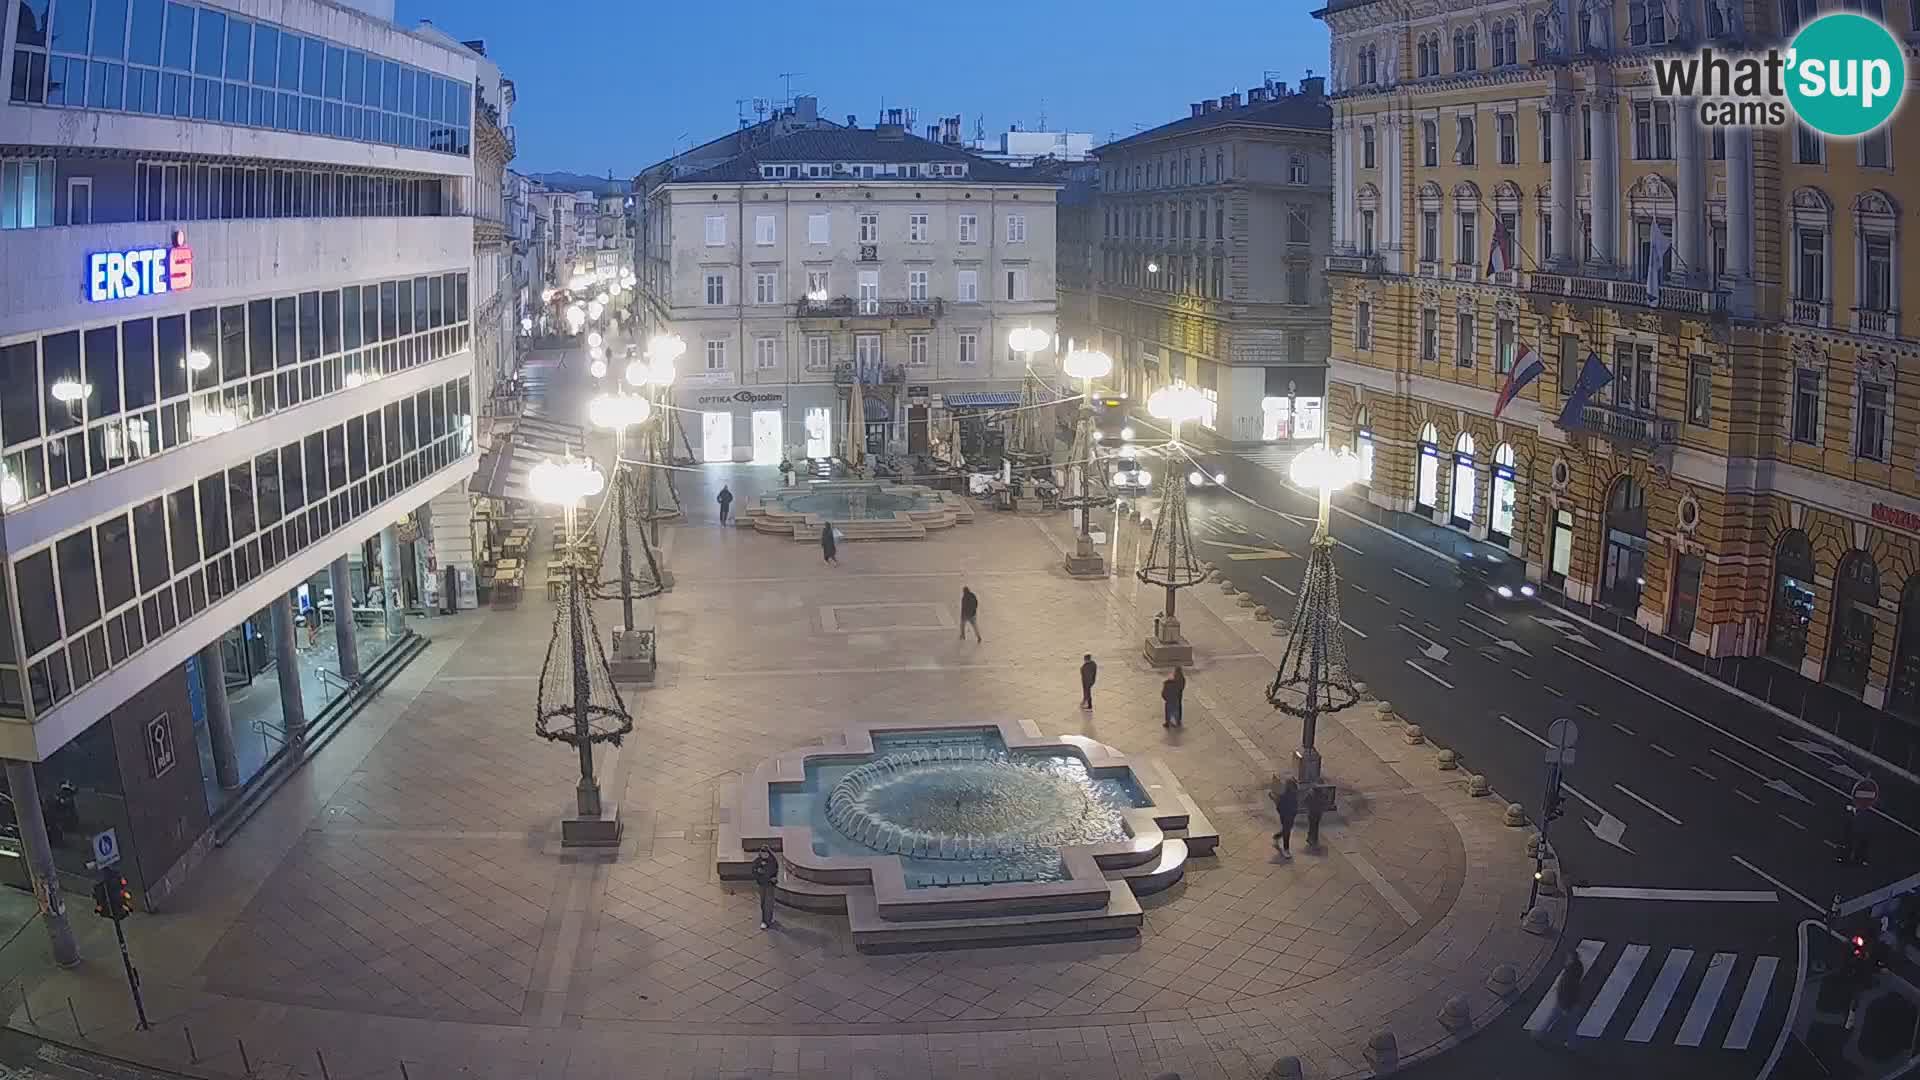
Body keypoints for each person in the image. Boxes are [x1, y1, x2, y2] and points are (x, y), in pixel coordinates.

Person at [1531, 952, 1586, 1046]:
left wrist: (1565, 1006)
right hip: (1574, 1002)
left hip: (1564, 1002)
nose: (1566, 961)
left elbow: (1564, 990)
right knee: (1572, 1025)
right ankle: (1572, 1043)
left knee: (1552, 1018)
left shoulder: (1568, 976)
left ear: (1571, 961)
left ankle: (1539, 1034)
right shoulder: (1578, 968)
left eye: (1568, 959)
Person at [751, 849, 779, 930]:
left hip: (770, 885)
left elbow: (775, 871)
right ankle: (767, 919)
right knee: (763, 903)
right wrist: (758, 872)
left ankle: (766, 921)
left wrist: (773, 878)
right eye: (762, 853)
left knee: (768, 903)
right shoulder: (758, 861)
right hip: (762, 884)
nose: (764, 855)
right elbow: (753, 870)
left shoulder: (772, 861)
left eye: (765, 853)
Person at [1271, 779, 1300, 858]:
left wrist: (1295, 812)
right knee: (1287, 831)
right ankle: (1286, 849)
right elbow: (1279, 806)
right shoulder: (1284, 795)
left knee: (1287, 830)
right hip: (1286, 816)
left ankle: (1276, 837)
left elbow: (1295, 804)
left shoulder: (1294, 793)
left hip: (1291, 815)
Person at [1304, 784, 1327, 852]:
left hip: (1312, 813)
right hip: (1317, 813)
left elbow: (1305, 801)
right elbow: (1324, 802)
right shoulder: (1322, 794)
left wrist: (1308, 808)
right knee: (1315, 826)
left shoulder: (1311, 794)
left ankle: (1311, 839)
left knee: (1312, 826)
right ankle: (1313, 839)